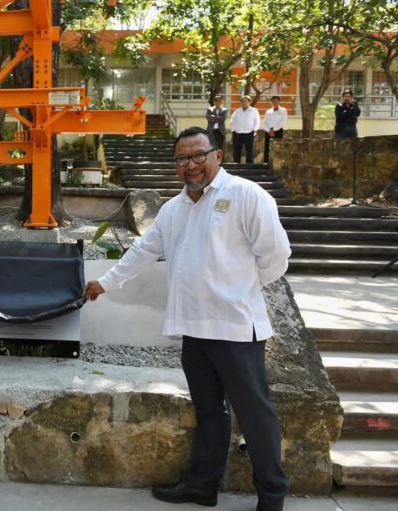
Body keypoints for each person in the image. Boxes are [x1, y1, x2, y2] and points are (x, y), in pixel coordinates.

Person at [84, 127, 291, 511]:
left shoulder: (245, 196)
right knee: (209, 410)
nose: (190, 165)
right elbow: (144, 251)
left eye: (198, 155)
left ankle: (272, 494)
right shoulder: (174, 209)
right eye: (182, 159)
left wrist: (240, 288)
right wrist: (105, 282)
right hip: (194, 329)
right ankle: (202, 485)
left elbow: (276, 256)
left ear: (218, 156)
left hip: (235, 328)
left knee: (254, 412)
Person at [229, 95, 260, 164]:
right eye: (242, 101)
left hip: (249, 133)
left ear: (249, 102)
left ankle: (249, 166)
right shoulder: (237, 111)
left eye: (246, 101)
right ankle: (236, 165)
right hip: (237, 133)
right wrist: (233, 130)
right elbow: (232, 121)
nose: (244, 103)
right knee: (237, 150)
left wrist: (254, 129)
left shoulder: (254, 111)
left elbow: (257, 121)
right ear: (240, 102)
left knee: (249, 150)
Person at [262, 96, 287, 164]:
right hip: (268, 132)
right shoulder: (268, 111)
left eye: (276, 101)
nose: (274, 102)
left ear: (279, 101)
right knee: (267, 148)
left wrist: (274, 129)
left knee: (278, 148)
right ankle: (266, 163)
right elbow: (265, 122)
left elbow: (283, 122)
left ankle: (277, 163)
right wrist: (269, 130)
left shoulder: (283, 110)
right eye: (273, 101)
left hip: (278, 131)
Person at [205, 95, 227, 159]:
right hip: (211, 130)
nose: (218, 102)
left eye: (219, 101)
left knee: (220, 147)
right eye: (216, 101)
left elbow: (222, 118)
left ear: (221, 102)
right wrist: (217, 117)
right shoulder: (210, 109)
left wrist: (213, 117)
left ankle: (220, 160)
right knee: (211, 146)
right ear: (214, 102)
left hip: (220, 131)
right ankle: (211, 159)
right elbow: (208, 117)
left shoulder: (224, 110)